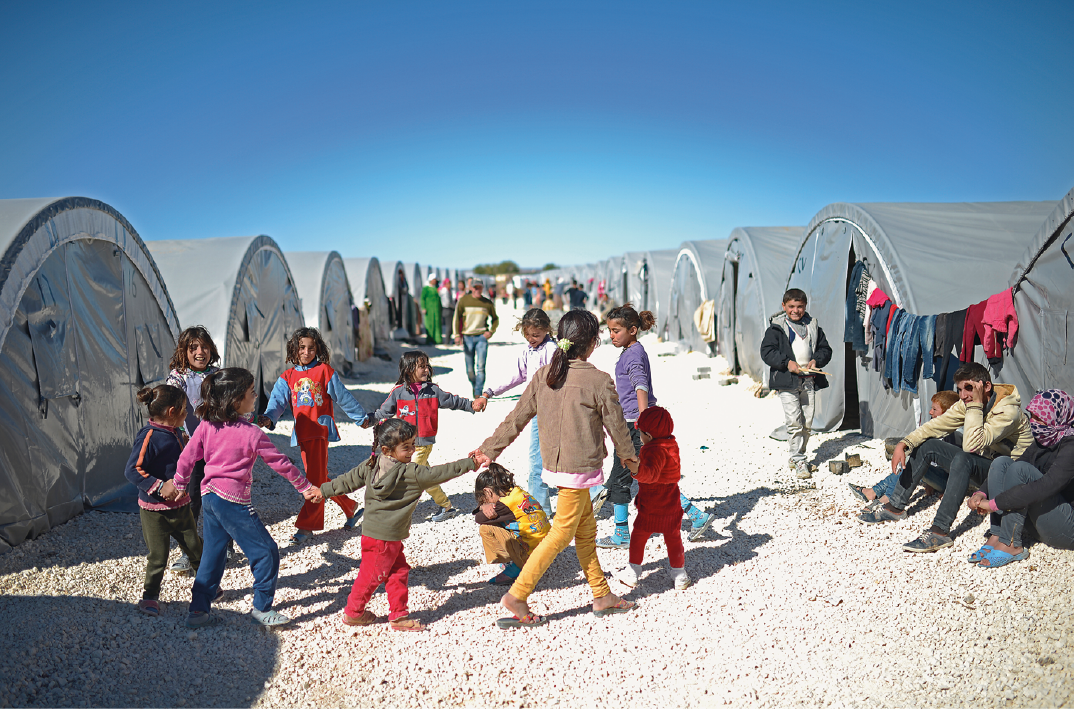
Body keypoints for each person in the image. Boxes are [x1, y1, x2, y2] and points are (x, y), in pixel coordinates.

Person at [477, 309, 639, 627]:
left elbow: (516, 417)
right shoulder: (598, 380)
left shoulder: (543, 376)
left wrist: (489, 449)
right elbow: (619, 427)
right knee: (561, 534)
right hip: (579, 470)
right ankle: (518, 595)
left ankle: (602, 594)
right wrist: (631, 460)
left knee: (586, 532)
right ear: (592, 343)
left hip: (557, 466)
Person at [172, 368, 323, 628]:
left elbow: (187, 457)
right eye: (252, 392)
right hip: (234, 502)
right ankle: (262, 608)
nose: (256, 396)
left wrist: (179, 483)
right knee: (266, 552)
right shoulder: (252, 433)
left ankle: (198, 610)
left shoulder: (207, 426)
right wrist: (304, 486)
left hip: (210, 499)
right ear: (235, 401)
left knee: (213, 555)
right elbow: (280, 463)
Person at [320, 418, 482, 631]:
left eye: (414, 444)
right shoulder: (411, 472)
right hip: (384, 540)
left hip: (378, 535)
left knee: (398, 571)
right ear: (387, 449)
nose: (413, 450)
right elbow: (441, 473)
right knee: (370, 576)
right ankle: (354, 613)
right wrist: (470, 464)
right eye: (407, 447)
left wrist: (323, 491)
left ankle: (398, 615)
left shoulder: (373, 463)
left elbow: (347, 481)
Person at [859, 362, 1034, 553]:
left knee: (963, 458)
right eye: (960, 390)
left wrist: (974, 405)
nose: (963, 395)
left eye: (969, 388)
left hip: (1010, 477)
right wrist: (905, 443)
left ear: (986, 386)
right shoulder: (967, 403)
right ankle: (895, 507)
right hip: (988, 469)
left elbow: (972, 445)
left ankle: (939, 531)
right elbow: (936, 426)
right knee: (927, 445)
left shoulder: (1008, 410)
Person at [594, 304, 714, 549]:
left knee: (622, 478)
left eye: (616, 330)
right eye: (610, 330)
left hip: (635, 426)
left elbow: (641, 386)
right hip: (635, 424)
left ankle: (622, 534)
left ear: (633, 330)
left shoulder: (633, 354)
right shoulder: (633, 350)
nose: (612, 335)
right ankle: (696, 515)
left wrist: (642, 419)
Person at [261, 327, 368, 545]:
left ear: (317, 348)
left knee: (314, 480)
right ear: (294, 349)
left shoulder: (324, 371)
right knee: (319, 478)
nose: (307, 351)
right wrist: (268, 418)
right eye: (302, 347)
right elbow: (277, 402)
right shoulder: (287, 377)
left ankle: (307, 526)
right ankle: (349, 506)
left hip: (319, 431)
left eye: (311, 347)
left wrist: (361, 417)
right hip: (302, 433)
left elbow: (343, 397)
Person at [964, 389, 1074, 567]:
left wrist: (994, 504)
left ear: (1056, 417)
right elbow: (1014, 464)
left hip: (1067, 528)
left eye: (1039, 418)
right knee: (1002, 462)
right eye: (1032, 416)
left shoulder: (1070, 446)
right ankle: (998, 534)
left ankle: (1011, 544)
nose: (1033, 422)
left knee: (1021, 470)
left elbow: (1045, 487)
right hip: (1044, 518)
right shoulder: (1044, 439)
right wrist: (982, 493)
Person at [372, 350, 485, 522]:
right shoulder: (398, 393)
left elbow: (452, 401)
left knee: (411, 475)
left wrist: (470, 405)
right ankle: (446, 506)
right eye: (421, 366)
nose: (426, 370)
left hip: (424, 442)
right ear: (409, 369)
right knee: (423, 476)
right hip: (405, 443)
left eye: (427, 366)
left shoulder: (433, 391)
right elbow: (384, 411)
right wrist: (369, 419)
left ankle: (398, 510)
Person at [124, 384, 204, 617]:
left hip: (181, 506)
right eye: (184, 409)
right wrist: (160, 486)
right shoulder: (148, 436)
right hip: (154, 511)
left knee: (195, 547)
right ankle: (150, 596)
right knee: (158, 556)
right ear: (172, 412)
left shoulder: (176, 433)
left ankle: (206, 588)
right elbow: (132, 470)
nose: (187, 414)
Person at [477, 309, 558, 513]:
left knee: (539, 459)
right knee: (539, 459)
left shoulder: (552, 350)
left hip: (550, 410)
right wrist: (489, 391)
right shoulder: (528, 352)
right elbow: (516, 376)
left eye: (536, 335)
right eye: (528, 335)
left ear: (546, 330)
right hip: (535, 410)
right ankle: (544, 507)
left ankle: (543, 508)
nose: (531, 339)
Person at [614, 406, 691, 591]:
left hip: (652, 506)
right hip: (672, 504)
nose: (640, 436)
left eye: (641, 433)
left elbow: (650, 475)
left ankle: (633, 571)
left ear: (648, 434)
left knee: (639, 537)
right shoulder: (671, 445)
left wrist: (635, 469)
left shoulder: (653, 450)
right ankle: (680, 574)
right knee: (674, 539)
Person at [164, 326, 221, 575]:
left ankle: (222, 545)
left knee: (222, 495)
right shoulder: (178, 377)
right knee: (193, 499)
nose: (200, 352)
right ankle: (189, 551)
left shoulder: (218, 375)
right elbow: (172, 401)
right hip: (193, 447)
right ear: (184, 351)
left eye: (204, 346)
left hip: (219, 447)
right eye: (193, 348)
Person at [760, 288, 833, 480]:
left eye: (800, 306)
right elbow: (767, 352)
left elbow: (825, 349)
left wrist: (816, 360)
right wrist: (786, 363)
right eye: (791, 306)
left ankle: (796, 453)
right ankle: (799, 458)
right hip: (787, 382)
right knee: (794, 421)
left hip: (808, 380)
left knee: (806, 422)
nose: (795, 310)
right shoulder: (776, 328)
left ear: (805, 306)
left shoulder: (813, 326)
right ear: (783, 306)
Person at [848, 390, 960, 507]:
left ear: (948, 413)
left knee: (909, 463)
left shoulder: (955, 435)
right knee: (908, 463)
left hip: (947, 481)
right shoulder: (936, 429)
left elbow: (958, 468)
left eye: (935, 409)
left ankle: (888, 498)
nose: (930, 412)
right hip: (938, 475)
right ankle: (874, 492)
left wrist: (949, 492)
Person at [473, 463, 551, 585]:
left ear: (487, 492)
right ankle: (518, 561)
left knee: (486, 528)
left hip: (531, 558)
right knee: (501, 522)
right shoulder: (517, 493)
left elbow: (479, 518)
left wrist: (483, 507)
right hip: (548, 551)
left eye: (484, 499)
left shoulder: (505, 505)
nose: (485, 503)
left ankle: (515, 567)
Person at [454, 279, 499, 398]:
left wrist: (491, 331)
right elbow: (457, 318)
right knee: (469, 369)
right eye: (475, 287)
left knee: (481, 366)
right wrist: (457, 335)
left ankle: (478, 392)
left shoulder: (487, 303)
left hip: (481, 338)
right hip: (467, 337)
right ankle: (475, 384)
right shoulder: (464, 301)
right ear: (471, 288)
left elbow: (495, 319)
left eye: (479, 287)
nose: (477, 290)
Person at [421, 275, 442, 345]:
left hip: (436, 310)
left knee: (437, 324)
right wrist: (423, 307)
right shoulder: (426, 288)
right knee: (430, 324)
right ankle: (430, 339)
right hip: (429, 309)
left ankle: (437, 340)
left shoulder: (436, 288)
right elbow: (422, 298)